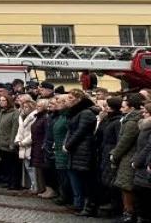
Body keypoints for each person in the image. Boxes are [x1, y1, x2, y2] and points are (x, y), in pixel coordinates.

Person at [111, 93, 146, 223]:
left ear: (131, 107)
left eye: (124, 105)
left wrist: (114, 155)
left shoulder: (131, 122)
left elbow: (124, 142)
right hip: (128, 156)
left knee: (127, 187)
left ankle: (129, 213)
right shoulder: (130, 119)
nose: (121, 108)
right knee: (126, 186)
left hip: (128, 157)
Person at [63, 88, 98, 216]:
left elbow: (80, 132)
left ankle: (89, 207)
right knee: (79, 178)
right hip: (77, 149)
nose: (68, 101)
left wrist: (68, 145)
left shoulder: (86, 113)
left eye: (71, 98)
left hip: (84, 150)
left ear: (79, 100)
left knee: (86, 180)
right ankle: (81, 205)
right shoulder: (76, 112)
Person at [0, 91, 20, 190]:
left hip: (8, 142)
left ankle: (14, 183)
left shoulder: (14, 113)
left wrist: (12, 143)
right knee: (5, 164)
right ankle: (8, 181)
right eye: (0, 100)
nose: (1, 102)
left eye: (4, 100)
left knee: (12, 165)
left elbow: (14, 129)